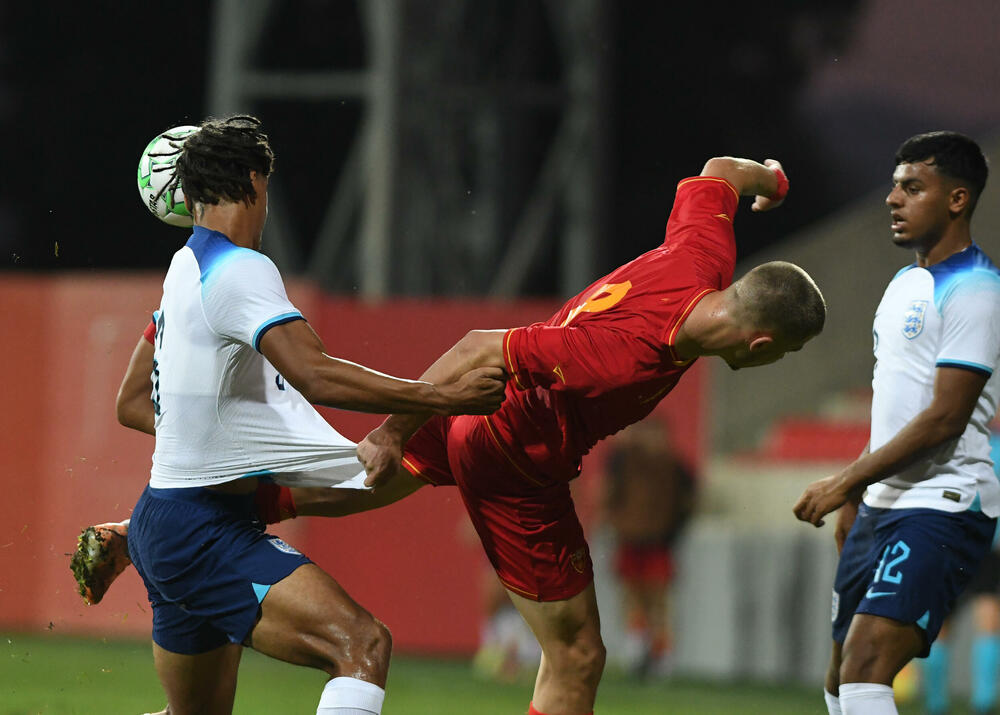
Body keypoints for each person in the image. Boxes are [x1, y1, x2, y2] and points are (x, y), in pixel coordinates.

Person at [78, 153, 826, 715]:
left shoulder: (704, 254)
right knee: (575, 654)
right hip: (514, 453)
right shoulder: (622, 355)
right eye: (783, 354)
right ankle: (172, 524)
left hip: (478, 422)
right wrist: (397, 423)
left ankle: (156, 523)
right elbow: (476, 346)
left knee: (365, 479)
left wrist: (770, 178)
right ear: (760, 346)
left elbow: (719, 172)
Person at [93, 115, 507, 715]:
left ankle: (140, 537)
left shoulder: (184, 268)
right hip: (203, 532)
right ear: (255, 182)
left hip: (164, 519)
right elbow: (313, 372)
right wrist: (443, 400)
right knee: (361, 645)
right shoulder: (240, 269)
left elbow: (131, 403)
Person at [793, 131, 1000, 715]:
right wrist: (860, 489)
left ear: (957, 200)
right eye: (894, 185)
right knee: (840, 679)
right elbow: (895, 406)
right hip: (881, 506)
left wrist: (841, 480)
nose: (893, 198)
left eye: (912, 187)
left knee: (865, 665)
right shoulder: (904, 284)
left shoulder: (977, 290)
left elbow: (944, 419)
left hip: (943, 504)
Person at [602, 417, 697, 679]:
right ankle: (637, 649)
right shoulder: (623, 460)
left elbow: (688, 503)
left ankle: (661, 655)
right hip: (630, 538)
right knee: (632, 595)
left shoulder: (677, 468)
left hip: (660, 542)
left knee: (659, 600)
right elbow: (610, 493)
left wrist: (673, 532)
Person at [919, 422, 1000, 715]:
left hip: (950, 542)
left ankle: (937, 703)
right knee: (987, 618)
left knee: (940, 624)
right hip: (983, 543)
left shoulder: (946, 443)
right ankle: (982, 701)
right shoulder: (990, 447)